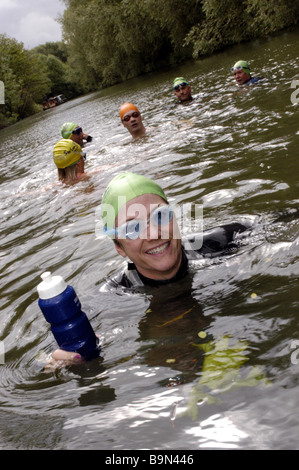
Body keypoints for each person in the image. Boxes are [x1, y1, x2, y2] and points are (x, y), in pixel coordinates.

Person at [101, 172, 251, 288]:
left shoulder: (228, 239)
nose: (153, 234)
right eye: (133, 228)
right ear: (119, 247)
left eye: (160, 216)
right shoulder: (112, 297)